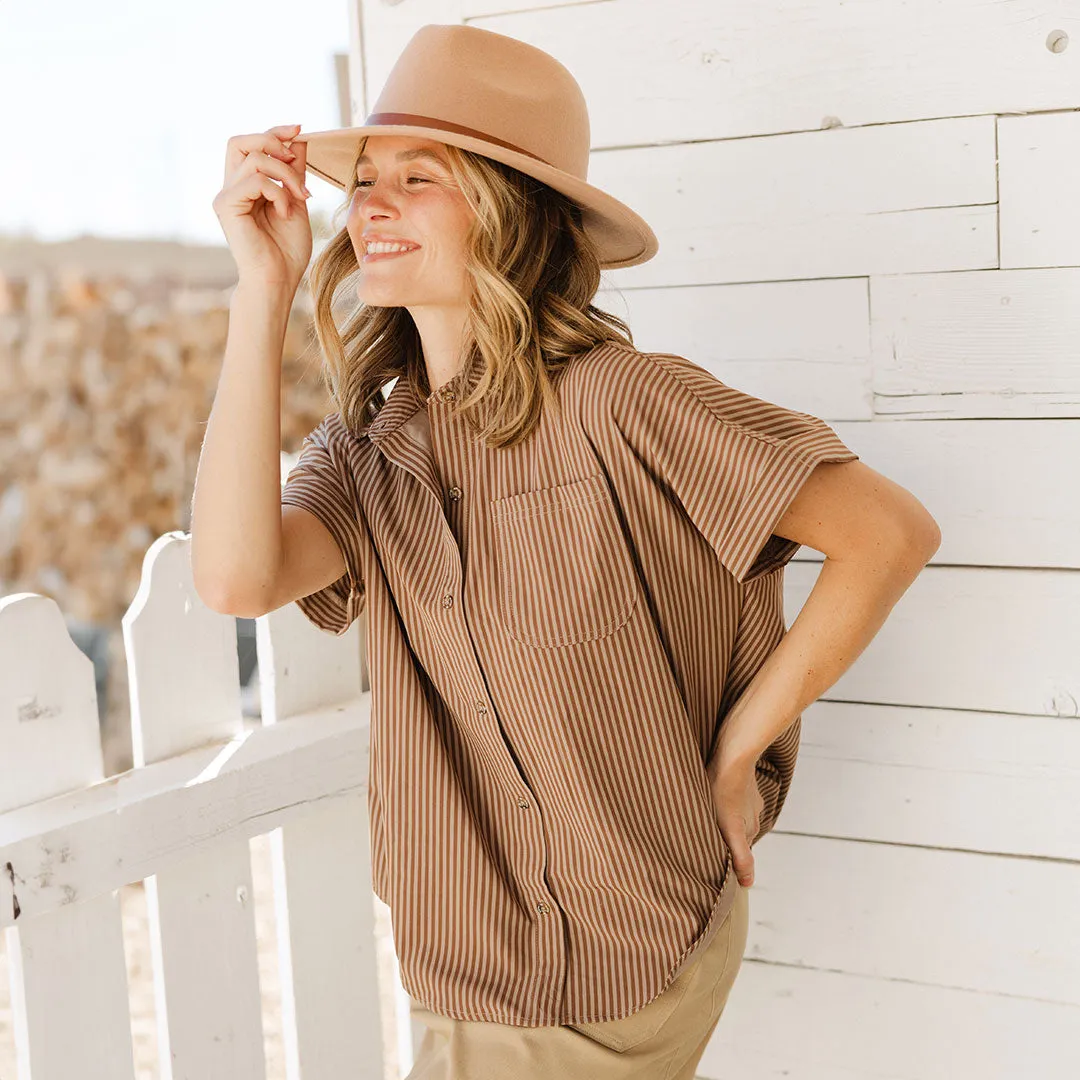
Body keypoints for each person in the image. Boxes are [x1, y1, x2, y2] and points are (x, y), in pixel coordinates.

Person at [191, 23, 941, 1080]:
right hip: (472, 959)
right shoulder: (369, 452)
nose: (372, 204)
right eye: (364, 180)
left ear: (509, 213)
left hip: (619, 959)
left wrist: (738, 752)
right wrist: (259, 293)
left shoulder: (628, 403)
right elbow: (234, 577)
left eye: (420, 176)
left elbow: (888, 534)